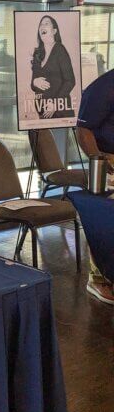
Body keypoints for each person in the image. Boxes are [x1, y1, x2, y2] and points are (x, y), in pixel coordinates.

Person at [77, 67, 114, 305]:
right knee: (104, 219)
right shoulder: (103, 87)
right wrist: (99, 161)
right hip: (108, 162)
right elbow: (83, 129)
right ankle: (98, 278)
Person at [30, 15, 76, 120]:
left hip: (61, 112)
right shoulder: (37, 53)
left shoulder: (60, 50)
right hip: (43, 113)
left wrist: (55, 103)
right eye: (41, 24)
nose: (42, 26)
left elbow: (70, 81)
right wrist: (35, 82)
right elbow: (32, 85)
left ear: (54, 31)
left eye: (46, 23)